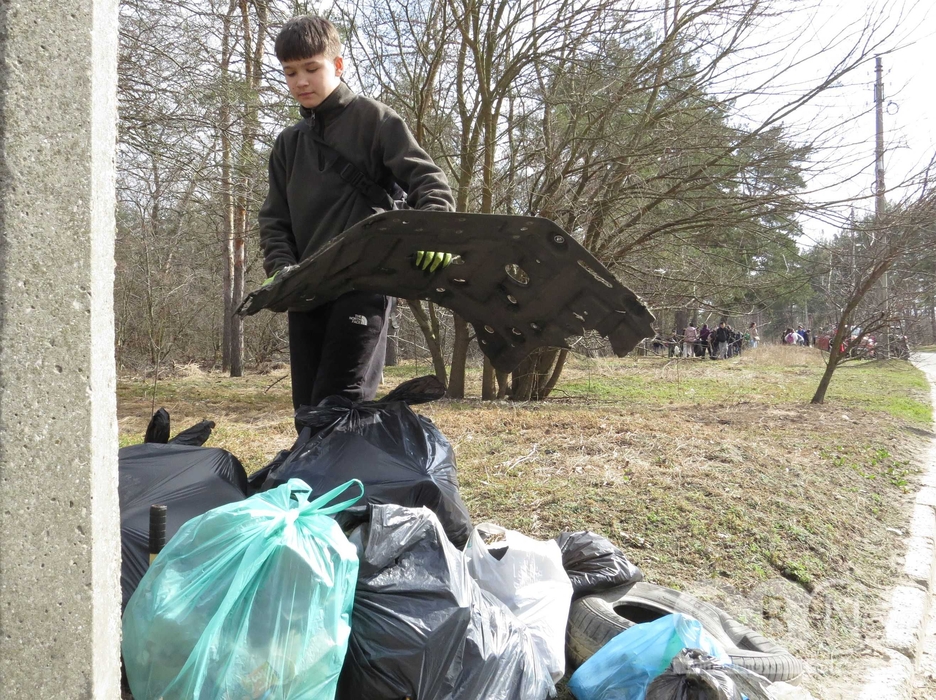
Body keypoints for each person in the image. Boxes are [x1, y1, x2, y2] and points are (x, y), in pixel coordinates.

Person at [259, 16, 455, 422]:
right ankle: (317, 467)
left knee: (341, 406)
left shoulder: (376, 120)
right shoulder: (288, 144)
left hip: (363, 284)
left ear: (337, 65)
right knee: (308, 411)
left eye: (311, 68)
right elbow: (275, 219)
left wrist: (435, 236)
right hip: (306, 290)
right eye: (290, 72)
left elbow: (430, 184)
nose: (301, 81)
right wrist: (281, 271)